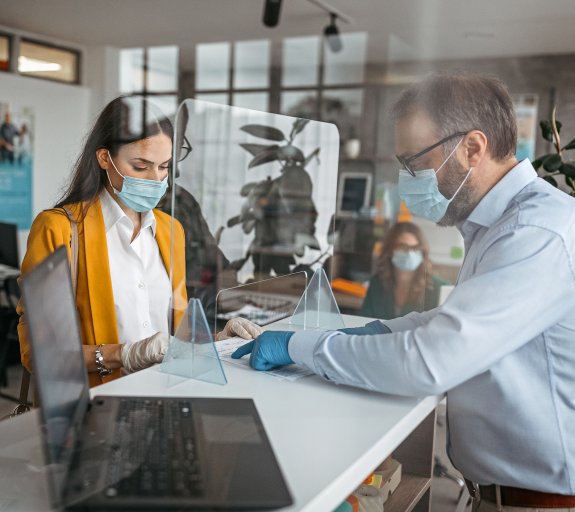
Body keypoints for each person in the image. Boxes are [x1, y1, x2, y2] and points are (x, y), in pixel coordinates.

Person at [232, 72, 575, 511]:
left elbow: (430, 361)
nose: (407, 179)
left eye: (415, 161)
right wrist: (373, 332)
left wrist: (304, 347)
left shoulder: (535, 232)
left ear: (473, 148)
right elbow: (451, 323)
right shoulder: (501, 226)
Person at [17, 96, 260, 388]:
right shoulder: (58, 229)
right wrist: (124, 354)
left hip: (165, 395)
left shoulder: (172, 231)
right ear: (105, 158)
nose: (156, 179)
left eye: (164, 167)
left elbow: (172, 339)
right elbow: (39, 355)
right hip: (96, 409)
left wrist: (218, 341)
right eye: (141, 166)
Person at [359, 221, 449, 319]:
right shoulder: (376, 283)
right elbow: (363, 321)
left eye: (415, 248)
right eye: (403, 247)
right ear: (389, 250)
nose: (409, 253)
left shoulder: (440, 288)